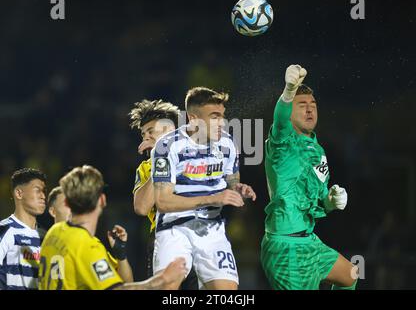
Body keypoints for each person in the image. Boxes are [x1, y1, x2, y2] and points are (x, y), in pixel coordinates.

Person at [260, 64, 358, 290]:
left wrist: (331, 201)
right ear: (290, 111)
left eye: (313, 105)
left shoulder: (317, 149)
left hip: (309, 241)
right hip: (287, 246)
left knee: (351, 275)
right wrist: (288, 91)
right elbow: (281, 119)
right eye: (301, 105)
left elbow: (318, 201)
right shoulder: (281, 143)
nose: (309, 110)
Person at [151, 87, 256, 290]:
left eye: (223, 116)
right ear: (193, 118)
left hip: (212, 230)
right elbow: (163, 201)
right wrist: (213, 199)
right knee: (166, 288)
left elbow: (232, 179)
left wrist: (238, 187)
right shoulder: (167, 146)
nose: (222, 123)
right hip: (175, 229)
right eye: (214, 117)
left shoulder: (227, 143)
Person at [39, 165, 186, 290]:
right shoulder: (87, 247)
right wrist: (162, 279)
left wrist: (120, 254)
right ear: (102, 200)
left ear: (67, 203)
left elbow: (123, 281)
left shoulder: (55, 232)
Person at [129, 99, 198, 289]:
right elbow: (142, 208)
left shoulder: (194, 155)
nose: (146, 138)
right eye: (143, 134)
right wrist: (160, 157)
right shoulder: (146, 168)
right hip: (166, 237)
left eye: (151, 131)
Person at [46, 185, 134, 283]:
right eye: (66, 204)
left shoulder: (90, 243)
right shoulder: (41, 244)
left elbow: (126, 282)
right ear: (53, 211)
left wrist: (120, 254)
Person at [0, 168, 47, 290]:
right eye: (37, 191)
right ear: (19, 193)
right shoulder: (4, 230)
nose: (43, 196)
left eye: (44, 191)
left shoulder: (46, 236)